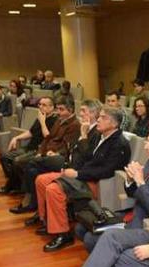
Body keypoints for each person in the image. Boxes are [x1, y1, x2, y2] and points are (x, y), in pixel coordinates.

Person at [32, 105, 131, 252]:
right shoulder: (99, 135)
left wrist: (77, 174)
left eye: (103, 117)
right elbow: (86, 156)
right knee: (41, 180)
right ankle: (48, 221)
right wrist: (83, 139)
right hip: (83, 174)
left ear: (114, 124)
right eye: (99, 116)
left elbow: (107, 171)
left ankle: (63, 234)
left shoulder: (119, 144)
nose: (98, 119)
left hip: (95, 182)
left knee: (54, 190)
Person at [10, 95, 80, 214]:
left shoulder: (74, 125)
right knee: (31, 169)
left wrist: (54, 153)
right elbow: (47, 139)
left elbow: (68, 147)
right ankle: (35, 202)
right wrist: (40, 152)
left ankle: (30, 202)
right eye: (58, 109)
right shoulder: (59, 120)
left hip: (59, 157)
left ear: (71, 110)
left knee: (28, 163)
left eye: (61, 109)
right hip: (47, 154)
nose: (58, 112)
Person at [0, 96, 56, 195]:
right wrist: (16, 138)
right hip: (29, 147)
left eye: (44, 105)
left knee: (17, 161)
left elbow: (48, 137)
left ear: (51, 107)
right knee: (4, 157)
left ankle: (12, 186)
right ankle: (17, 183)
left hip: (39, 150)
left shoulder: (54, 120)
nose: (40, 107)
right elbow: (31, 132)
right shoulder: (41, 116)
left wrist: (42, 122)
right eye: (39, 104)